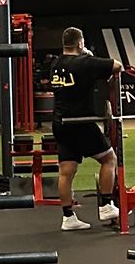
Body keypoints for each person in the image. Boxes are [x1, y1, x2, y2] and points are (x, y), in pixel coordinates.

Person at [48, 28, 122, 232]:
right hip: (81, 123)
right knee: (109, 159)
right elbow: (118, 66)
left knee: (66, 172)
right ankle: (106, 205)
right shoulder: (86, 62)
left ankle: (68, 217)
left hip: (60, 123)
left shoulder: (55, 64)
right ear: (80, 43)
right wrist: (88, 54)